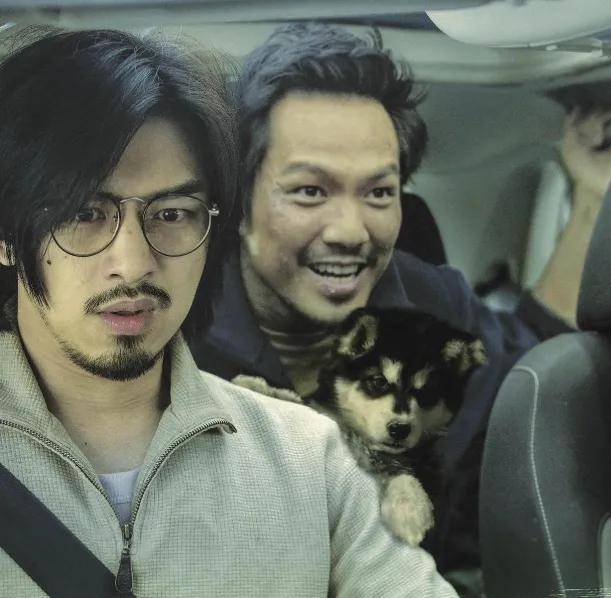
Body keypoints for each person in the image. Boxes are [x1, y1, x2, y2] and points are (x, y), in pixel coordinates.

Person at [0, 28, 455, 596]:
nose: (133, 263)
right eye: (84, 214)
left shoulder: (311, 457)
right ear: (8, 234)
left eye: (172, 214)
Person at [186, 21, 611, 577]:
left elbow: (539, 370)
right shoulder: (170, 324)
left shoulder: (427, 305)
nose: (350, 231)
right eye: (310, 191)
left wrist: (592, 197)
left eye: (379, 192)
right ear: (239, 203)